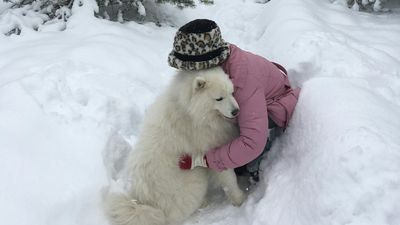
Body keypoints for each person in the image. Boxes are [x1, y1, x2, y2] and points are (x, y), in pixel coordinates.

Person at [167, 19, 301, 182]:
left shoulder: (243, 82)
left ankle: (260, 161)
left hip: (274, 104)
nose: (185, 72)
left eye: (187, 67)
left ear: (202, 63)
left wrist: (203, 160)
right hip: (251, 94)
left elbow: (252, 143)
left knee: (242, 164)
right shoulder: (216, 58)